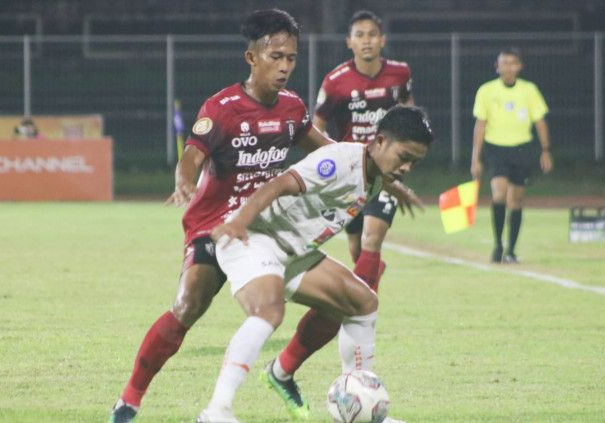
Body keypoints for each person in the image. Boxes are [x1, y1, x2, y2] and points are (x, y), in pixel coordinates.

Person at [108, 9, 418, 423]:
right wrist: (184, 181)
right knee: (187, 308)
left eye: (291, 57)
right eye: (276, 57)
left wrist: (386, 176)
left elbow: (327, 149)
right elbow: (191, 155)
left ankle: (293, 374)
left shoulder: (291, 108)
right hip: (213, 226)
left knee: (345, 301)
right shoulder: (223, 108)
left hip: (266, 229)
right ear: (252, 58)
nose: (286, 66)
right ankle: (129, 401)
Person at [197, 105, 434, 423]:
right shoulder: (339, 161)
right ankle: (217, 411)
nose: (406, 167)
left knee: (363, 302)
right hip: (255, 237)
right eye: (403, 157)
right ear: (379, 141)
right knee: (268, 313)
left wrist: (397, 189)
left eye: (414, 163)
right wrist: (240, 222)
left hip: (295, 253)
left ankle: (360, 401)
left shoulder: (376, 173)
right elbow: (279, 184)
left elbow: (380, 175)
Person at [259, 12, 420, 419]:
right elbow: (317, 125)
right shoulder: (336, 81)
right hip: (346, 180)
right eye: (359, 35)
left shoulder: (400, 73)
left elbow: (411, 121)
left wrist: (397, 173)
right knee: (350, 294)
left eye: (373, 34)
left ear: (382, 39)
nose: (367, 41)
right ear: (350, 41)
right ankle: (289, 369)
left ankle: (352, 375)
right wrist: (331, 163)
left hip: (378, 182)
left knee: (368, 254)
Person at [470, 48, 553, 264]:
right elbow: (480, 125)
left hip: (521, 150)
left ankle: (511, 250)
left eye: (512, 63)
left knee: (516, 200)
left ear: (519, 66)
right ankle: (498, 245)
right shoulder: (486, 91)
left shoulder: (529, 90)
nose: (508, 67)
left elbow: (540, 122)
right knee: (499, 194)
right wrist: (475, 158)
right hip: (496, 149)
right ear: (497, 67)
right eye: (503, 63)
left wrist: (546, 150)